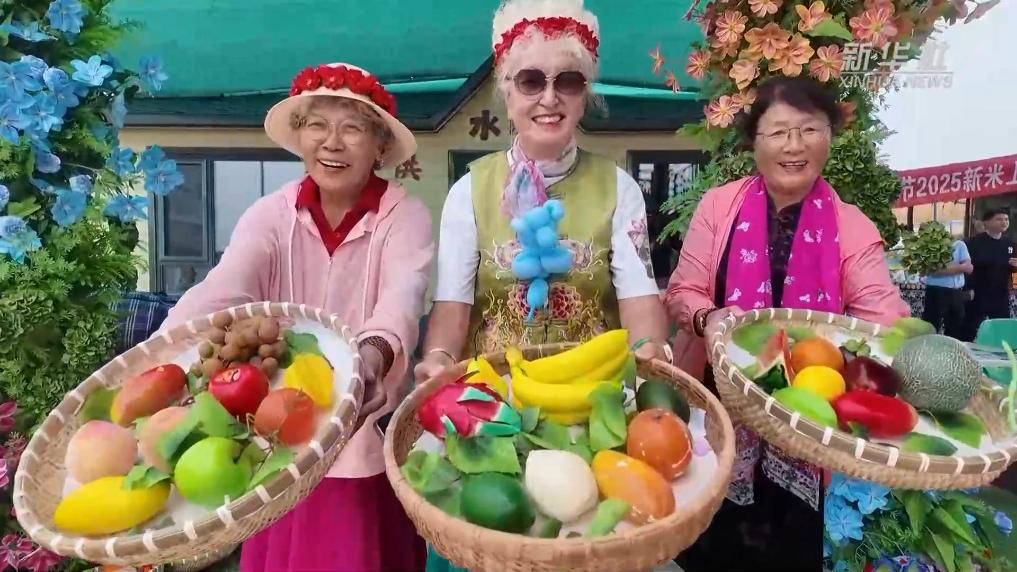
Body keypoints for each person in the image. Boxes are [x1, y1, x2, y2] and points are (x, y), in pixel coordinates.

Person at [414, 0, 670, 569]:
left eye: (568, 82)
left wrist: (652, 354)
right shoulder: (468, 190)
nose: (549, 98)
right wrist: (438, 359)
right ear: (506, 91)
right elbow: (453, 304)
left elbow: (639, 299)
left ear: (585, 95)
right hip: (494, 404)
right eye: (531, 80)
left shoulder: (619, 187)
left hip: (593, 406)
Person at [160, 62, 432, 572]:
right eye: (317, 125)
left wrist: (371, 357)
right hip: (277, 430)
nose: (332, 142)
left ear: (379, 146)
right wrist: (159, 354)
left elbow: (402, 297)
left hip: (360, 429)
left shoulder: (404, 216)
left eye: (352, 128)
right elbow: (225, 286)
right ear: (300, 137)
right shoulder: (271, 214)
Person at [665, 76, 908, 570]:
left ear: (829, 137)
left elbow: (882, 321)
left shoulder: (852, 226)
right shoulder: (719, 207)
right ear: (754, 142)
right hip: (720, 416)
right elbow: (682, 292)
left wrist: (867, 352)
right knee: (710, 549)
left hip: (809, 423)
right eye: (778, 132)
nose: (794, 146)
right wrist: (708, 317)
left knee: (790, 551)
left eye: (809, 129)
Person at [962, 209, 1017, 340]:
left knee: (1002, 328)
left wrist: (1015, 284)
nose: (1004, 222)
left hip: (1000, 293)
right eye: (999, 219)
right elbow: (968, 267)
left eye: (1006, 219)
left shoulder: (1010, 244)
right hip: (978, 293)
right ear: (986, 222)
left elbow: (1014, 270)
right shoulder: (973, 243)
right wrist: (968, 287)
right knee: (970, 328)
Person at [922, 232, 973, 338]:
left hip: (956, 292)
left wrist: (944, 268)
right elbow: (932, 270)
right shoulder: (929, 246)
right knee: (931, 328)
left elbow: (969, 268)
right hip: (936, 291)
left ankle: (952, 348)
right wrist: (960, 267)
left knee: (956, 329)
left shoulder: (959, 245)